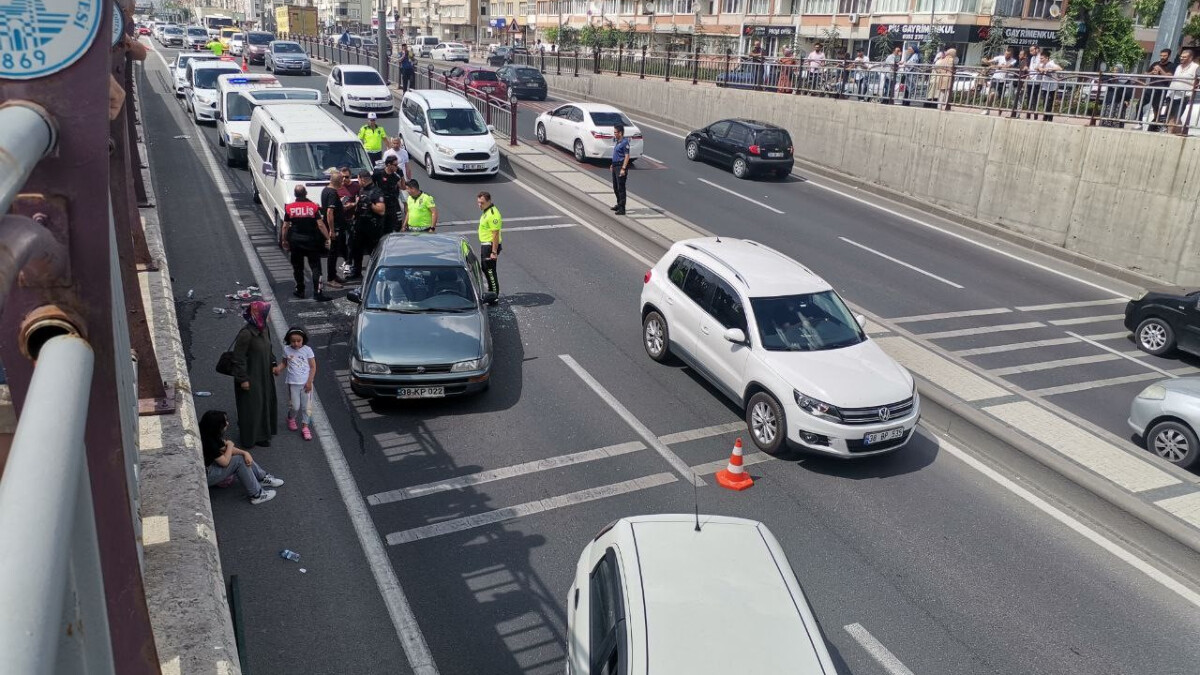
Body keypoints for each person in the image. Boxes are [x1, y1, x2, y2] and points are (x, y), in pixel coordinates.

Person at [200, 410, 283, 505]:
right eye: (224, 422)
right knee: (239, 461)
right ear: (216, 426)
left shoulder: (206, 432)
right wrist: (231, 445)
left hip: (205, 467)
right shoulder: (209, 442)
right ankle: (257, 495)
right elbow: (225, 462)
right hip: (206, 474)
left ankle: (262, 478)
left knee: (240, 456)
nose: (227, 423)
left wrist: (245, 453)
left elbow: (223, 447)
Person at [231, 301, 282, 449]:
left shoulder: (264, 329)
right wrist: (243, 379)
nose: (270, 317)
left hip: (264, 375)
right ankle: (250, 438)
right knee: (252, 407)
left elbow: (269, 349)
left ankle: (263, 435)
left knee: (265, 403)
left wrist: (273, 364)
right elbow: (238, 358)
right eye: (267, 314)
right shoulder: (246, 334)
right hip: (251, 376)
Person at [282, 185, 331, 301]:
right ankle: (317, 293)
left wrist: (284, 240)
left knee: (298, 267)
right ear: (306, 193)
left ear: (295, 195)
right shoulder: (313, 207)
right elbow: (320, 224)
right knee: (315, 268)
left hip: (295, 241)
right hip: (311, 241)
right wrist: (328, 237)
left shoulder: (290, 208)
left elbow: (285, 226)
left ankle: (300, 290)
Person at [282, 327, 317, 441]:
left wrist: (309, 382)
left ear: (303, 340)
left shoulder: (307, 350)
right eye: (293, 341)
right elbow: (284, 363)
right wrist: (277, 369)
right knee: (295, 406)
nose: (296, 344)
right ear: (289, 340)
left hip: (306, 384)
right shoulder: (287, 350)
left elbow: (313, 367)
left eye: (299, 341)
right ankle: (291, 418)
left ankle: (305, 427)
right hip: (293, 384)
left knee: (307, 407)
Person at [350, 171, 386, 278]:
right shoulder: (362, 190)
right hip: (360, 225)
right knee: (357, 250)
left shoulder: (377, 192)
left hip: (372, 228)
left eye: (358, 179)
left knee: (373, 252)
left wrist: (370, 204)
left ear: (363, 179)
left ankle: (376, 274)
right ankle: (357, 273)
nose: (358, 182)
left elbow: (382, 210)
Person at [321, 169, 349, 289]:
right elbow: (329, 212)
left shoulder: (325, 190)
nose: (343, 182)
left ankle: (334, 275)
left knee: (336, 252)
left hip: (336, 226)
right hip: (335, 228)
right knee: (332, 253)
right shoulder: (332, 193)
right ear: (338, 181)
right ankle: (331, 279)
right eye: (342, 180)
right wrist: (332, 230)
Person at [1144, 49, 1177, 131]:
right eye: (1161, 55)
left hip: (1162, 90)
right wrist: (1152, 72)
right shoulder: (1155, 64)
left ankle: (1157, 123)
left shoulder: (1172, 66)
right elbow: (1145, 74)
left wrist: (1160, 70)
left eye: (1164, 56)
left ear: (1169, 56)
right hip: (1152, 88)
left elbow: (1169, 77)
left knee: (1158, 108)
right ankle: (1140, 123)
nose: (1162, 57)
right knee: (1141, 104)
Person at [477, 191, 502, 301]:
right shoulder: (486, 211)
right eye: (478, 202)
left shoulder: (493, 214)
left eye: (482, 203)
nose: (479, 205)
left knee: (490, 270)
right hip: (485, 244)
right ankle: (492, 291)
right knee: (485, 268)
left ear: (489, 201)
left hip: (490, 246)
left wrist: (494, 252)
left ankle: (494, 295)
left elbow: (495, 234)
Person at [1166, 49, 1198, 135]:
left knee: (1175, 117)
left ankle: (1169, 134)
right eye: (1181, 56)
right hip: (1172, 94)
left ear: (1190, 58)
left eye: (1184, 57)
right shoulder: (1178, 67)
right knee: (1171, 117)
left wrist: (1195, 89)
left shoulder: (1196, 67)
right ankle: (1181, 133)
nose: (1182, 58)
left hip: (1184, 96)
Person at [373, 155, 405, 233]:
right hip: (382, 202)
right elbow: (372, 184)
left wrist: (402, 176)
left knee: (397, 223)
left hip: (393, 202)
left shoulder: (396, 176)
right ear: (388, 164)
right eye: (395, 165)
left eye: (397, 165)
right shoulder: (379, 174)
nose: (397, 167)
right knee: (381, 224)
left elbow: (402, 187)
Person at [982, 48, 1015, 115]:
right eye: (1005, 54)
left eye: (1008, 55)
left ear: (1011, 55)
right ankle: (987, 109)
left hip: (1003, 80)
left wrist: (996, 66)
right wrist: (986, 61)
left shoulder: (1013, 60)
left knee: (1001, 98)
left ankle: (999, 113)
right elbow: (988, 62)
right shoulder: (1000, 57)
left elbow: (1007, 66)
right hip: (995, 78)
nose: (1006, 56)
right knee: (992, 94)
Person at [609, 123, 632, 215]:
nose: (614, 134)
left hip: (620, 166)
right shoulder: (618, 141)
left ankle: (622, 208)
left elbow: (627, 156)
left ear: (620, 133)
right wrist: (612, 164)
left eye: (615, 132)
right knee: (615, 187)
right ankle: (619, 204)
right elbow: (616, 154)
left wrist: (623, 168)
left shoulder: (625, 142)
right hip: (615, 166)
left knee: (621, 188)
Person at [1034, 51, 1062, 121]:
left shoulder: (1050, 63)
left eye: (1042, 58)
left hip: (1051, 87)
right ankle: (1045, 115)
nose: (1041, 60)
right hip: (1045, 86)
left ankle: (1049, 117)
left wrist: (1049, 69)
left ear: (1047, 58)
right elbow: (1036, 67)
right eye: (1040, 58)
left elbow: (1059, 68)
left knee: (1049, 102)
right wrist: (1040, 68)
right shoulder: (1042, 64)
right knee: (1044, 102)